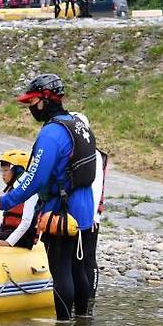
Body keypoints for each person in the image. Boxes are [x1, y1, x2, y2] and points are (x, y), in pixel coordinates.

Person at [0, 74, 95, 321]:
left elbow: (35, 178)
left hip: (61, 211)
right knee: (79, 268)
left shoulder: (51, 134)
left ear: (44, 101)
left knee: (61, 270)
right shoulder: (78, 125)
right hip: (85, 209)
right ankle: (84, 322)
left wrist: (5, 201)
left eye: (31, 102)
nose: (30, 108)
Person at [71, 112, 108, 315]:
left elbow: (95, 186)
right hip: (81, 212)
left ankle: (89, 297)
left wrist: (93, 216)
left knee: (88, 257)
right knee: (78, 258)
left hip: (89, 215)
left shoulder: (93, 154)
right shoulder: (82, 151)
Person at [0, 150, 39, 249]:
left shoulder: (30, 191)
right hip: (7, 232)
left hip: (24, 238)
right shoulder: (10, 190)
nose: (3, 175)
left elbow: (26, 222)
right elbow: (1, 219)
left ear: (18, 170)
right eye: (2, 170)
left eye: (6, 170)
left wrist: (9, 242)